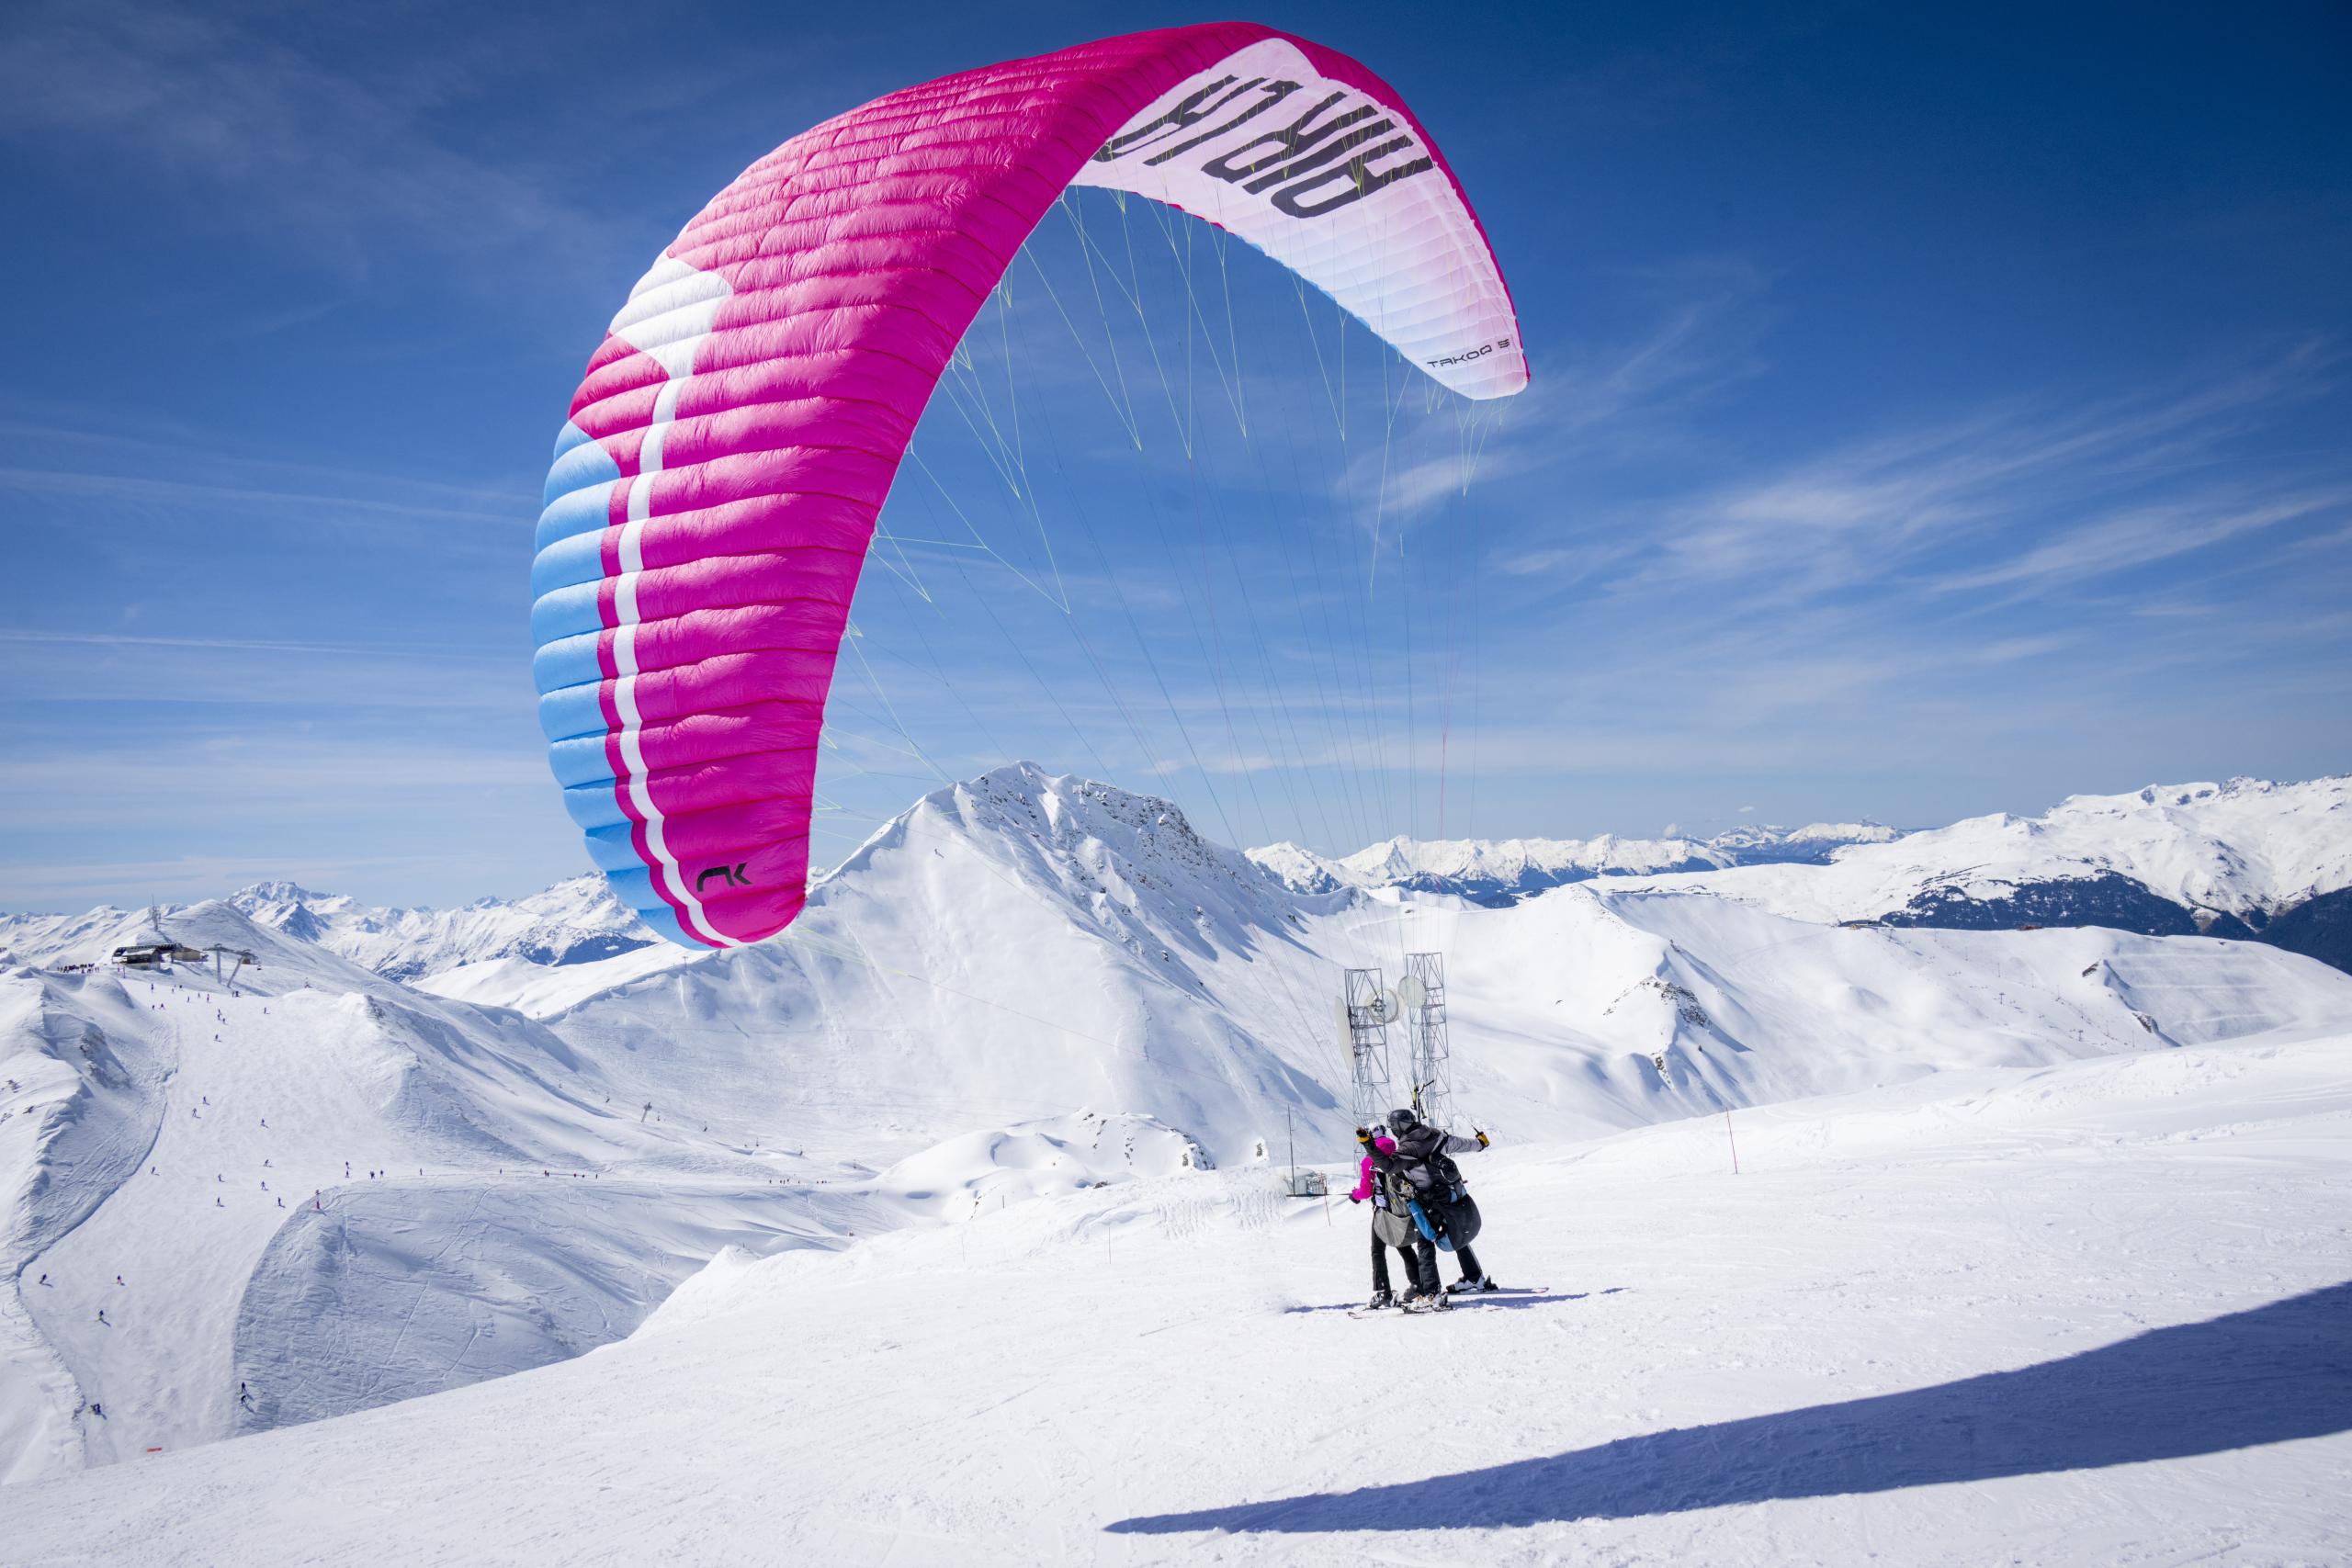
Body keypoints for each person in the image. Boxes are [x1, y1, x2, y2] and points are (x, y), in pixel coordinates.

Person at [1359, 1108, 1497, 1304]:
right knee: (1455, 1231)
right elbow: (1461, 1144)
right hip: (1451, 1193)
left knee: (1425, 1243)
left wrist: (1369, 1146)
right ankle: (1473, 1276)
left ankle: (1431, 1293)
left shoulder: (1408, 1149)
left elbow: (1388, 1166)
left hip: (1430, 1200)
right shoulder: (1435, 1135)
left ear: (1398, 1127)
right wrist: (1480, 1144)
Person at [1344, 1132, 1419, 1309]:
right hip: (1400, 1210)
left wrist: (1354, 1195)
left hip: (1382, 1212)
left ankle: (1383, 1292)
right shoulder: (1397, 1151)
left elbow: (1366, 1191)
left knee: (1377, 1250)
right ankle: (1418, 1284)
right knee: (1403, 1246)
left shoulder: (1369, 1159)